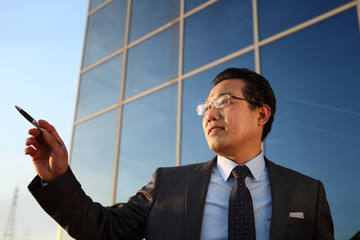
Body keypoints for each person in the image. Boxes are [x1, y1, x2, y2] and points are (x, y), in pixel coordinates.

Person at [25, 68, 334, 240]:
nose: (210, 114)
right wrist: (57, 177)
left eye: (224, 102)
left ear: (261, 114)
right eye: (206, 107)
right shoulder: (168, 184)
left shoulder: (307, 192)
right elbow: (103, 230)